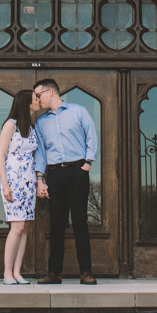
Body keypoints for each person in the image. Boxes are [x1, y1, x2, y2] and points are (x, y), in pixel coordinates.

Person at [31, 77, 98, 284]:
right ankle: (54, 273)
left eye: (38, 95)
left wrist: (86, 164)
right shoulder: (41, 123)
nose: (37, 99)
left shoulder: (78, 112)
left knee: (80, 222)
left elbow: (91, 137)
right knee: (56, 224)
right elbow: (40, 153)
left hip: (78, 171)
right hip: (55, 175)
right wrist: (40, 179)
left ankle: (86, 272)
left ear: (50, 92)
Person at [0, 88, 39, 285]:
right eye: (35, 98)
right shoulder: (10, 125)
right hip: (13, 181)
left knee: (25, 227)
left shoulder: (31, 127)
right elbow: (0, 155)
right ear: (26, 103)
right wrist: (5, 184)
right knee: (16, 226)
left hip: (29, 181)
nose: (38, 101)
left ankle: (17, 272)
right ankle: (7, 273)